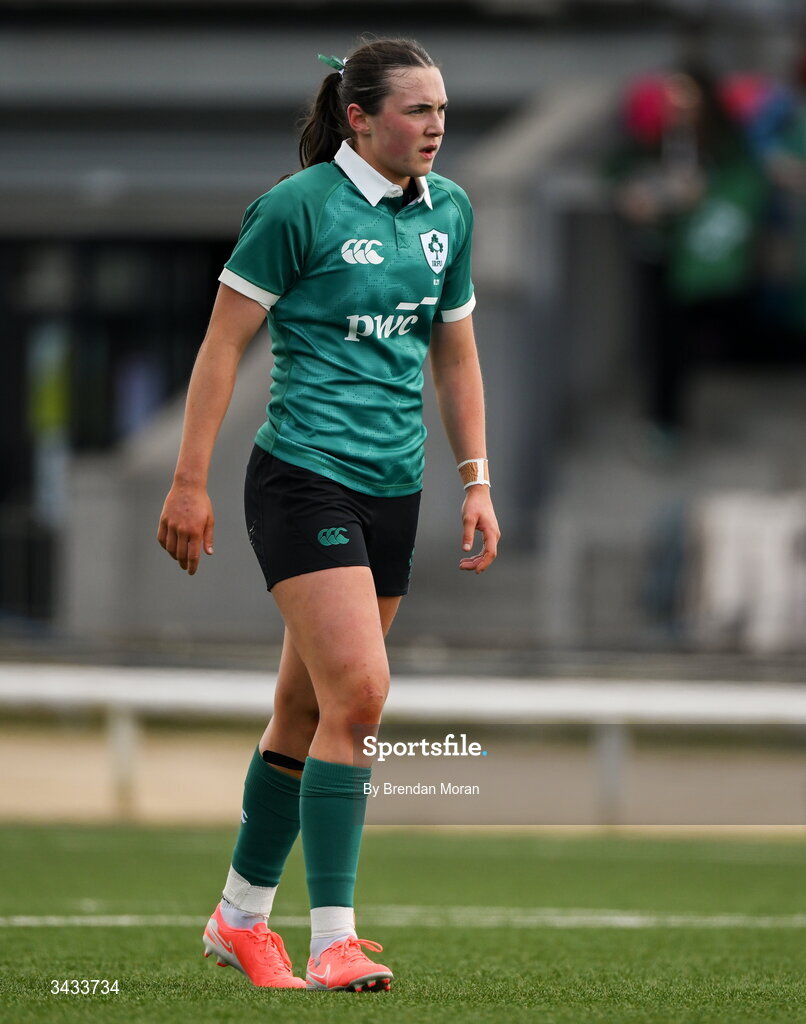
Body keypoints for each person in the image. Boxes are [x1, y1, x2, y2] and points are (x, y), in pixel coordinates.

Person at [157, 37, 500, 992]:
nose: (436, 126)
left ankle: (238, 919)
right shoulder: (295, 207)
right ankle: (335, 936)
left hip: (397, 488)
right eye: (417, 110)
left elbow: (457, 355)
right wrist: (188, 482)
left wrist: (476, 478)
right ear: (359, 117)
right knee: (361, 695)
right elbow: (222, 348)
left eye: (443, 110)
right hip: (304, 478)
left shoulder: (452, 212)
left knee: (306, 709)